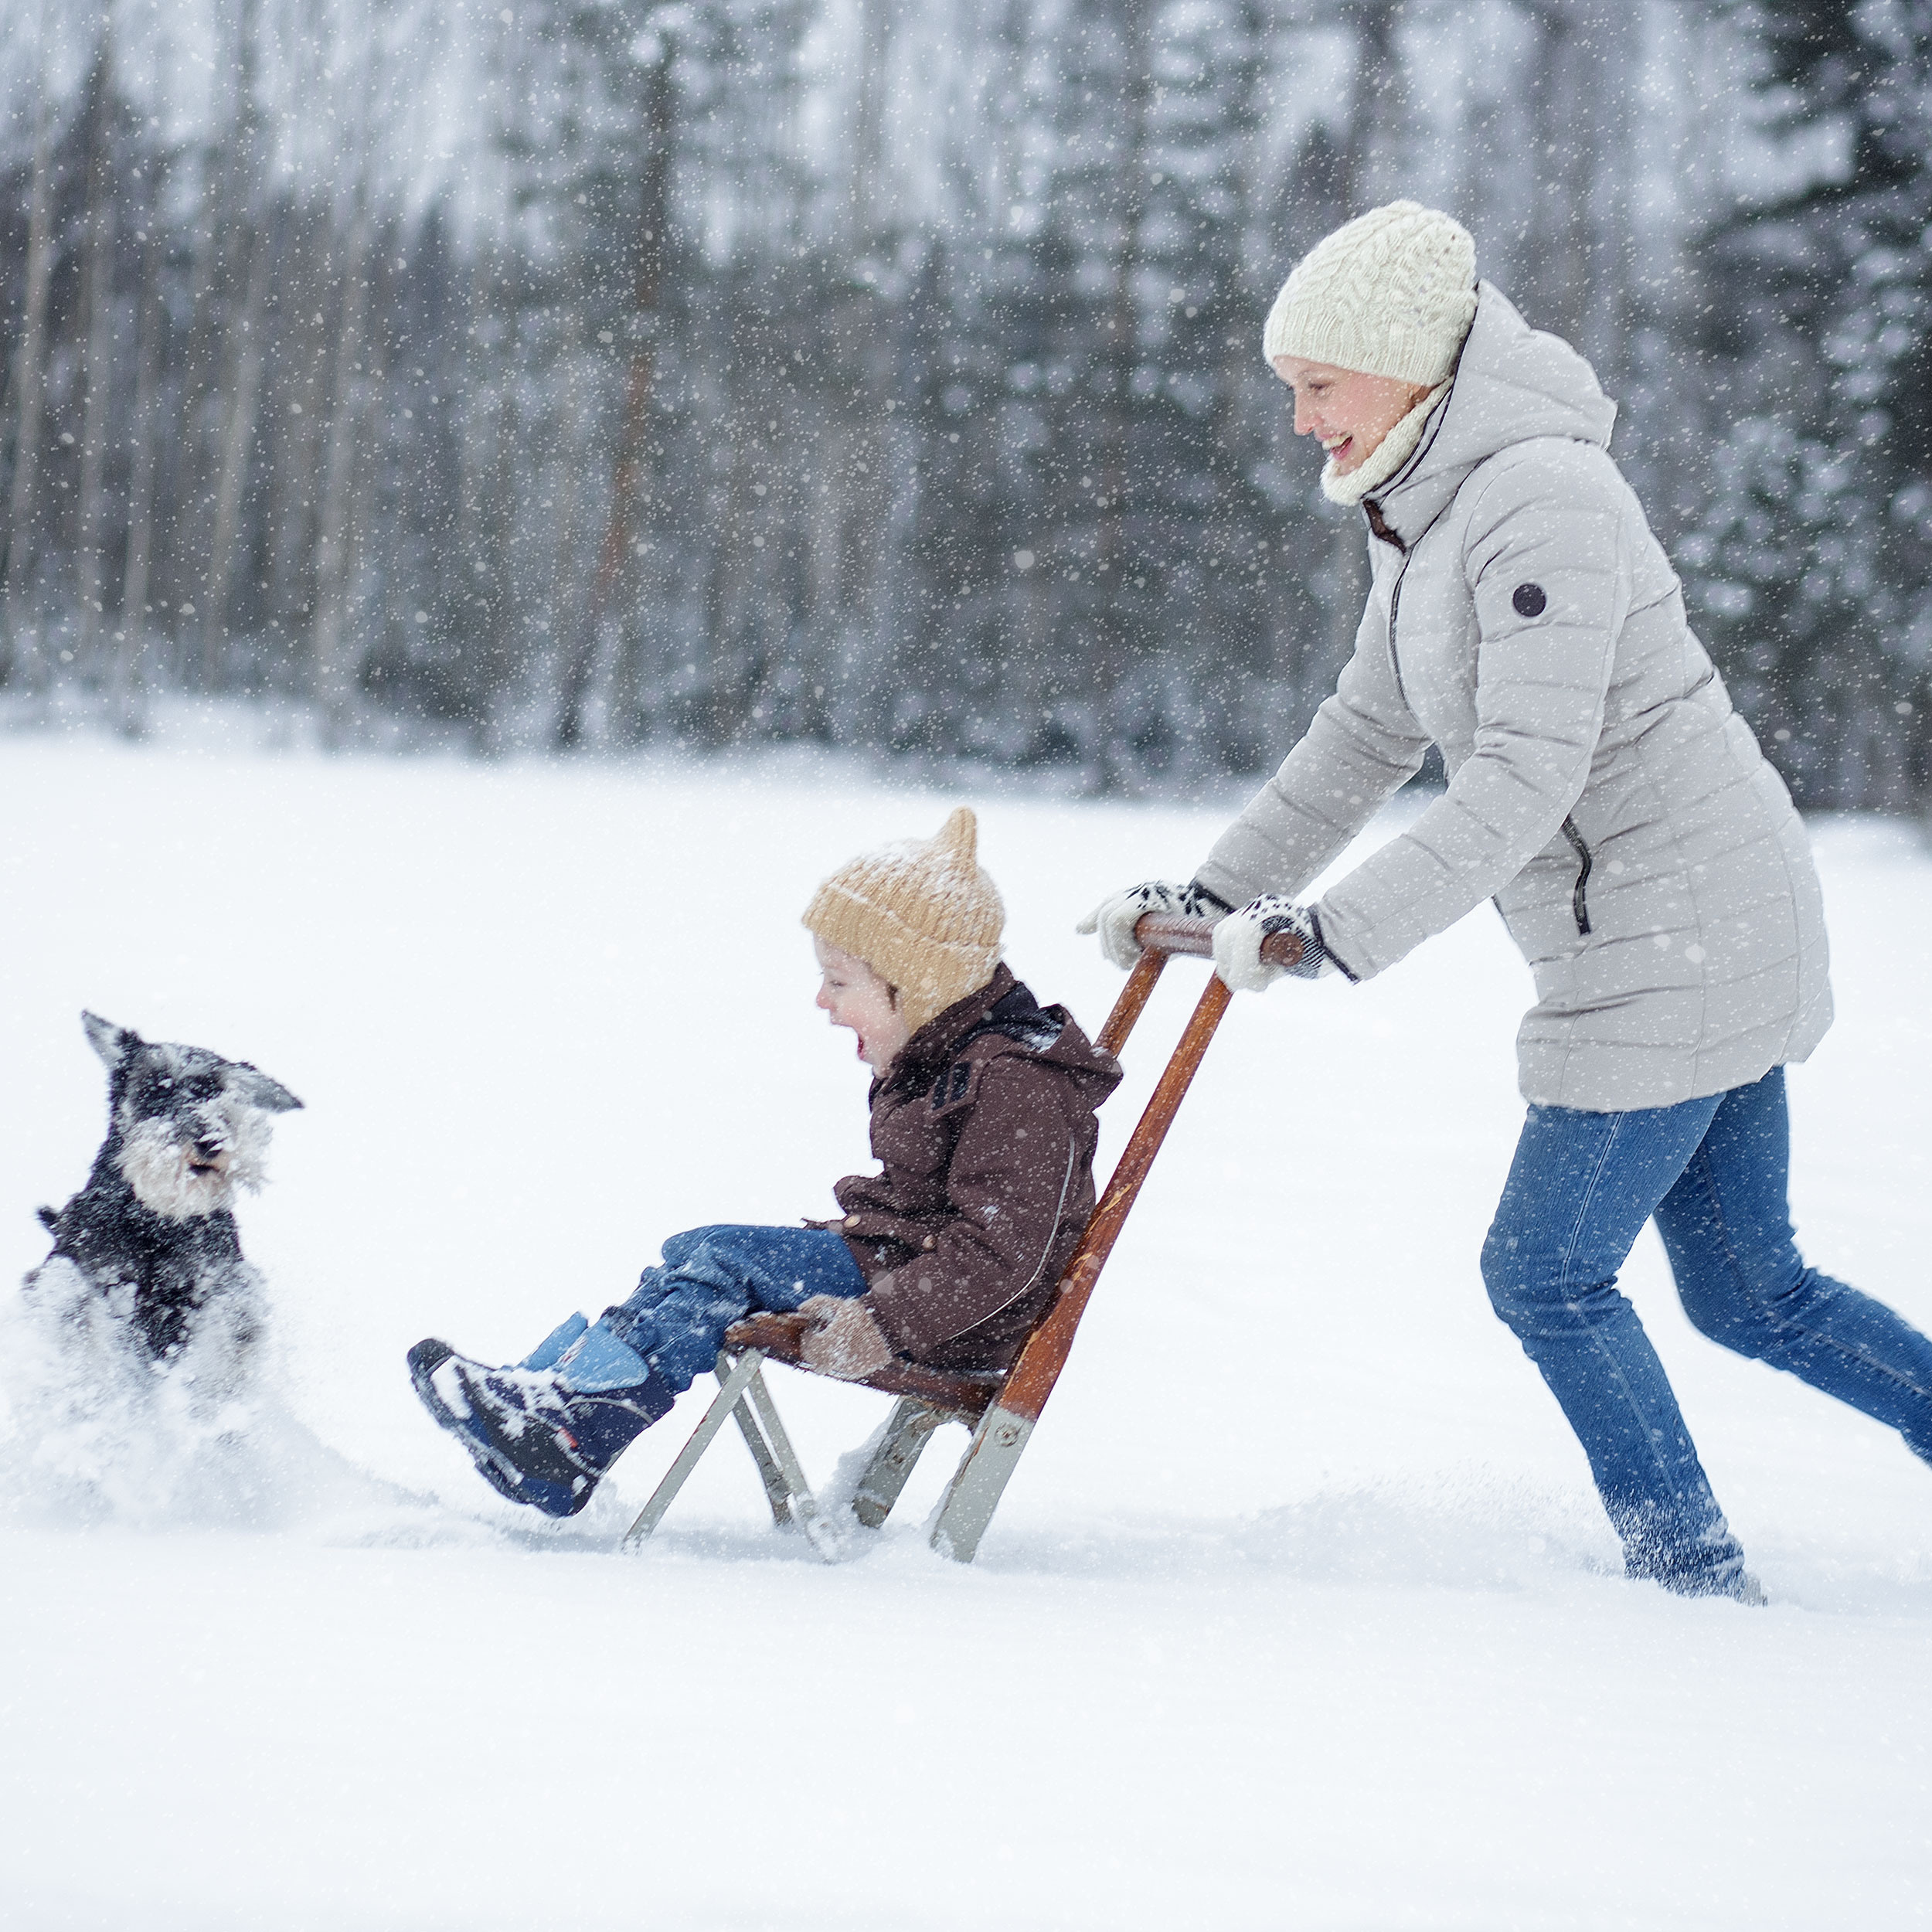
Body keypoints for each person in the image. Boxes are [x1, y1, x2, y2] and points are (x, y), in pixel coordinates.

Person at [1080, 200, 1932, 1602]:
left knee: (1545, 1273)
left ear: (1404, 368)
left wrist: (1329, 933)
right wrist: (1220, 888)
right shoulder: (1423, 507)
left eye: (1318, 388)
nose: (1302, 422)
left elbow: (1530, 776)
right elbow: (1369, 730)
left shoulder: (1544, 498)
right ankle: (1704, 1569)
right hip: (1660, 923)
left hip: (1682, 930)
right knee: (1754, 1293)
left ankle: (1693, 1584)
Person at [411, 806, 1121, 1517]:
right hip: (909, 1270)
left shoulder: (1013, 1082)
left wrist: (882, 1322)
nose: (822, 1001)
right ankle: (554, 1407)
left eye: (840, 983)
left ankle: (574, 1430)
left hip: (954, 1310)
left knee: (724, 1259)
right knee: (697, 1251)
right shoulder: (949, 1056)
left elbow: (1003, 1256)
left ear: (920, 984)